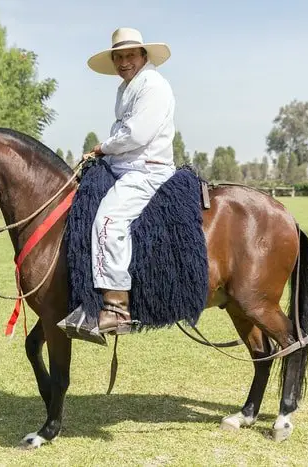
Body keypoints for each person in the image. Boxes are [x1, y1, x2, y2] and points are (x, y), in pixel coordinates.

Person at [58, 27, 177, 346]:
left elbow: (136, 135)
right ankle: (84, 298)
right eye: (119, 57)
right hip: (123, 167)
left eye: (130, 55)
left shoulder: (153, 86)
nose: (124, 62)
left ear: (143, 56)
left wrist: (101, 148)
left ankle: (117, 307)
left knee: (108, 221)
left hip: (147, 170)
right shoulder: (127, 87)